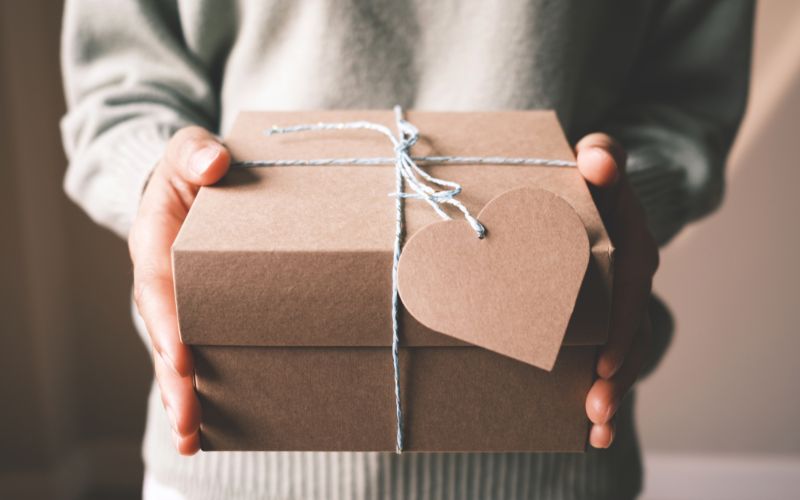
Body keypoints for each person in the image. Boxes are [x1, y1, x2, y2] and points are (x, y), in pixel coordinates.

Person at [60, 1, 753, 498]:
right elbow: (119, 88)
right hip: (232, 446)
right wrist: (158, 180)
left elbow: (686, 102)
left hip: (550, 455)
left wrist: (620, 200)